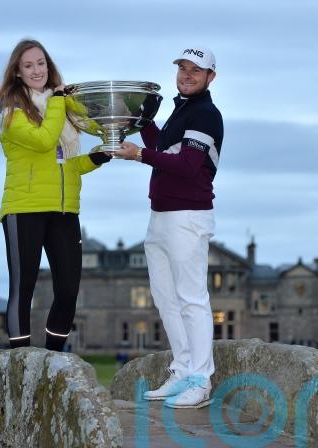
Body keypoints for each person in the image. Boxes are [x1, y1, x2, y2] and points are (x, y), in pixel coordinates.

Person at [116, 46, 223, 408]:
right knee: (166, 299)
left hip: (188, 216)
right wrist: (142, 122)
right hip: (160, 216)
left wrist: (139, 154)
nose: (187, 75)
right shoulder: (182, 110)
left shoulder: (206, 114)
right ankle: (182, 370)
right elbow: (163, 148)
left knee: (192, 299)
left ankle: (201, 381)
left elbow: (188, 165)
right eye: (183, 68)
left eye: (196, 70)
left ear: (210, 77)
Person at [0, 39, 111, 352]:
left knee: (69, 290)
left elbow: (67, 166)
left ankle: (54, 356)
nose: (37, 70)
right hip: (24, 209)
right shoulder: (11, 112)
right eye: (28, 65)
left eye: (41, 63)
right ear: (17, 72)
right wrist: (59, 100)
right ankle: (20, 359)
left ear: (49, 65)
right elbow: (45, 141)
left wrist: (96, 157)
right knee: (24, 288)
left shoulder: (61, 109)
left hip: (64, 210)